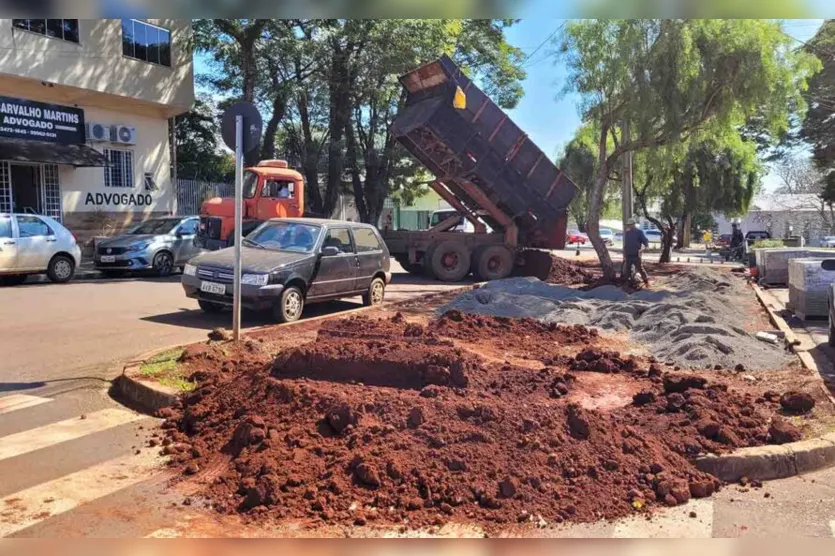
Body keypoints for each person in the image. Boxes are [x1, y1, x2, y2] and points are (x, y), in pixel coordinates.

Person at [622, 218, 650, 286]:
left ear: (634, 224)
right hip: (628, 255)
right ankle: (626, 284)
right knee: (627, 270)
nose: (629, 226)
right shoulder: (627, 233)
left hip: (636, 255)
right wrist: (625, 254)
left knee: (640, 269)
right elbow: (626, 244)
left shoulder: (639, 232)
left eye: (630, 225)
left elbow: (645, 240)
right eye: (628, 225)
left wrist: (646, 245)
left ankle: (646, 282)